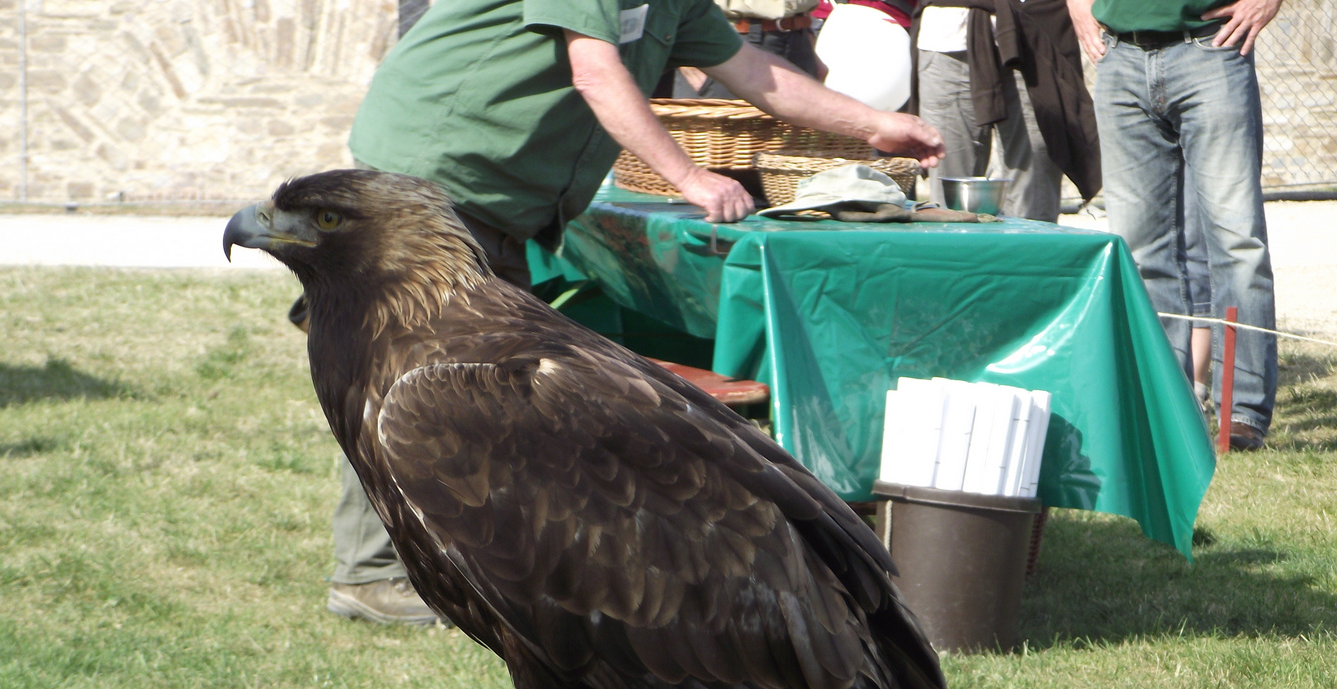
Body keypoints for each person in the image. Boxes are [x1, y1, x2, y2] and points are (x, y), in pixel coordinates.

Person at [324, 0, 945, 624]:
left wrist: (872, 126)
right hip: (432, 175)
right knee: (409, 375)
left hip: (499, 195)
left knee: (470, 392)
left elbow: (757, 71)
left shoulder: (679, 4)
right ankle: (372, 574)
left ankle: (436, 559)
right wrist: (690, 177)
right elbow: (595, 70)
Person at [1067, 0, 1280, 450]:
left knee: (1236, 243)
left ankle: (1239, 414)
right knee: (1140, 252)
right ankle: (1168, 408)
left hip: (1212, 47)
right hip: (1119, 56)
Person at [911, 0, 1100, 222]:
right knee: (949, 200)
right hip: (947, 29)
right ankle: (954, 255)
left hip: (1035, 29)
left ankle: (1030, 256)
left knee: (1034, 199)